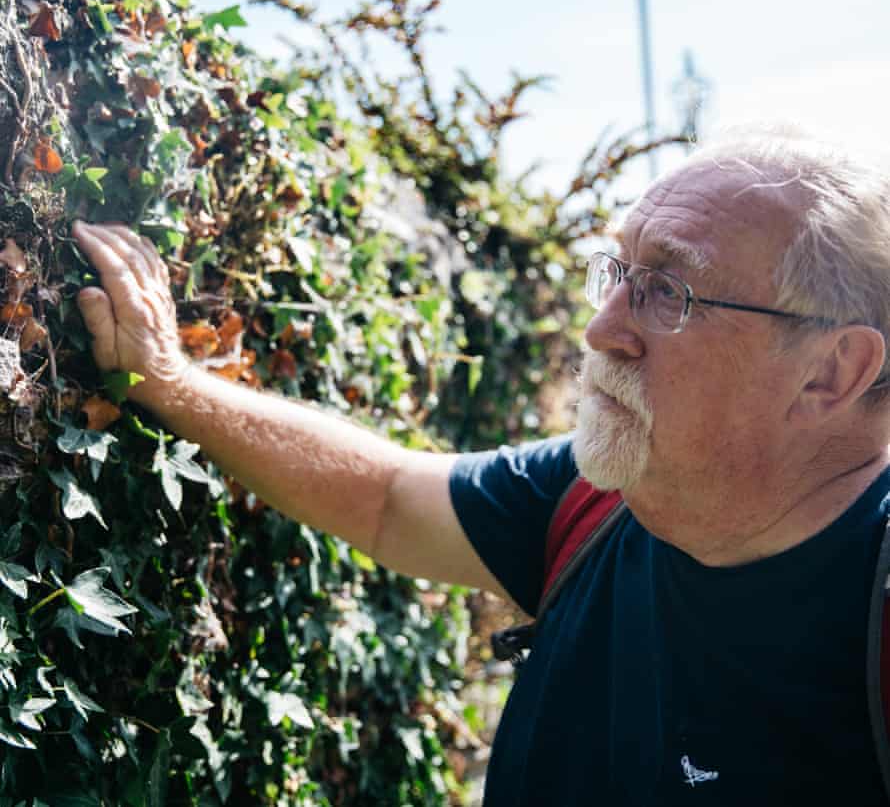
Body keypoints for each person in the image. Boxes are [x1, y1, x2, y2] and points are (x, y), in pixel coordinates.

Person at [73, 124, 890, 805]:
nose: (601, 329)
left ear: (831, 371)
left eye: (670, 293)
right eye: (617, 275)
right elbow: (390, 499)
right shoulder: (596, 495)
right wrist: (172, 383)